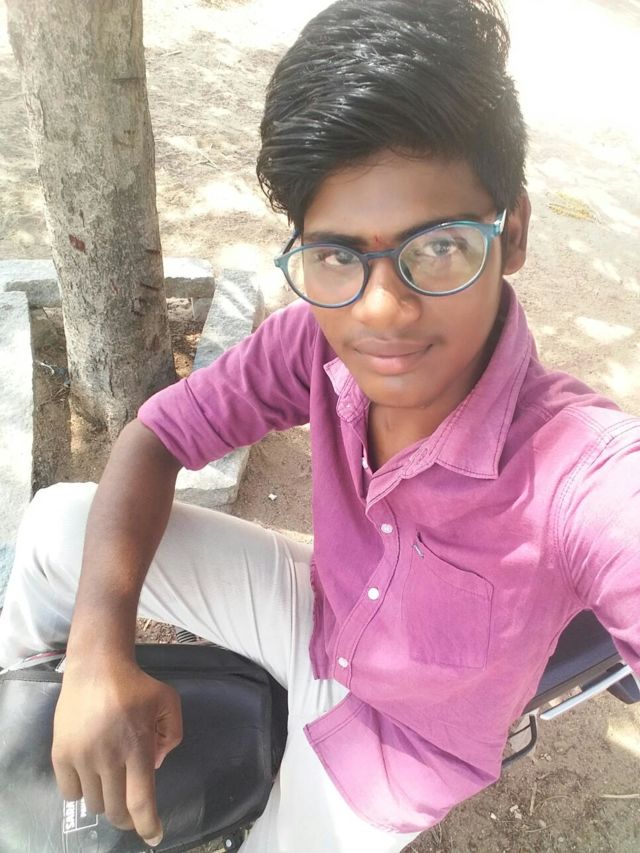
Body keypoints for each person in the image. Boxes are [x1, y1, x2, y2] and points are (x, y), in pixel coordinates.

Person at [1, 0, 639, 851]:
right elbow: (156, 437)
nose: (381, 309)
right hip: (318, 612)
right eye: (337, 255)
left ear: (511, 233)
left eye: (438, 246)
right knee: (56, 525)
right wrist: (93, 657)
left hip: (400, 748)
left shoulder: (580, 473)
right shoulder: (313, 341)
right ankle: (24, 715)